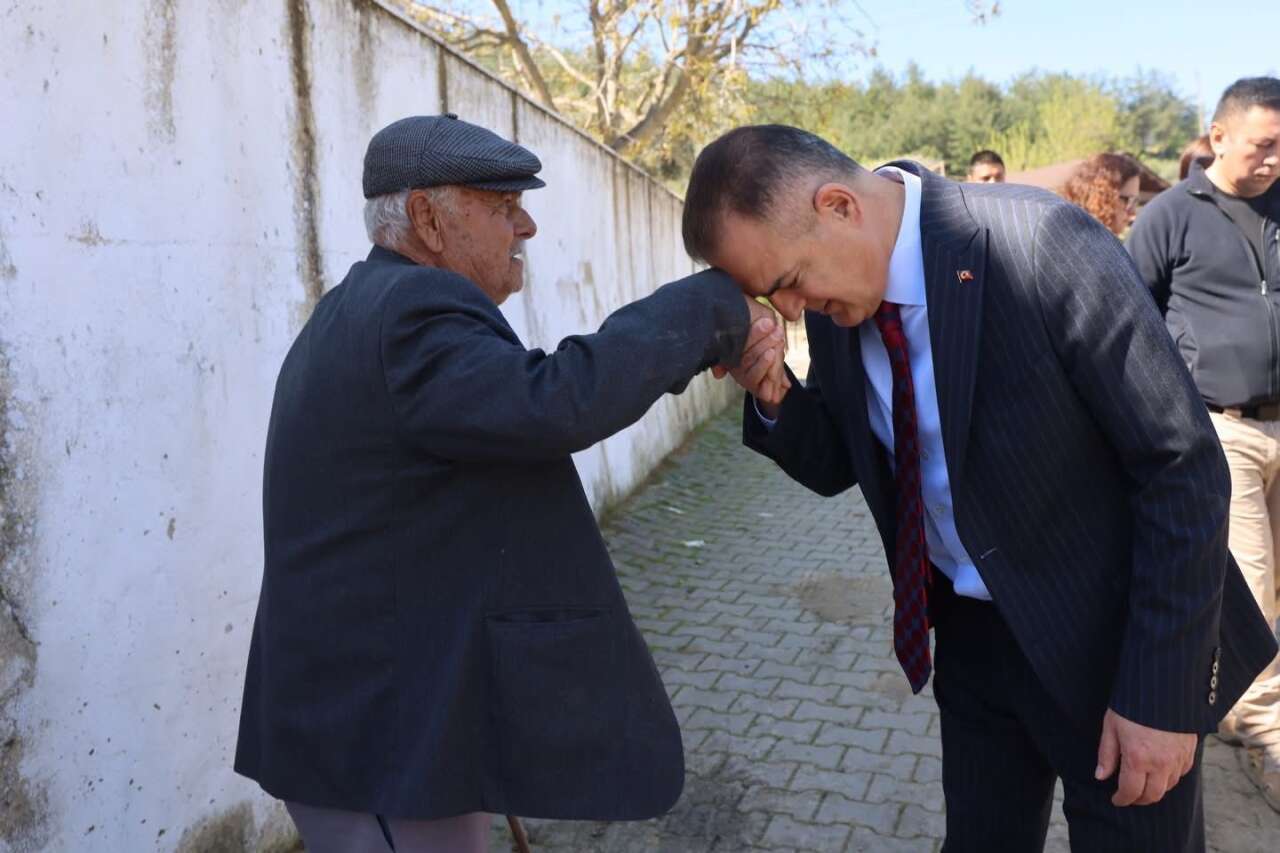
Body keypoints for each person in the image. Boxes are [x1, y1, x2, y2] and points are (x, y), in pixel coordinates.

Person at [681, 123, 1277, 851]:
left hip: (1114, 642)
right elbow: (844, 459)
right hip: (971, 642)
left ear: (839, 205)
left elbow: (1180, 467)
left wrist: (1161, 696)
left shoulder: (1038, 244)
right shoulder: (844, 299)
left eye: (789, 283)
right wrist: (774, 392)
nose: (795, 310)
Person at [233, 114, 787, 853]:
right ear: (428, 219)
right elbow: (553, 401)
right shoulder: (411, 312)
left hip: (386, 713)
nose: (524, 225)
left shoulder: (370, 303)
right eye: (501, 207)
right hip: (380, 737)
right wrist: (714, 307)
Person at [1128, 76, 1280, 812]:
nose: (1276, 160)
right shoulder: (1169, 216)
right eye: (1264, 144)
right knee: (1249, 579)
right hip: (1220, 428)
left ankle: (1244, 701)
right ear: (1218, 137)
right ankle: (1267, 741)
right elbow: (1127, 318)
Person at [1059, 152, 1142, 236]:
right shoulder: (1077, 243)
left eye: (1135, 201)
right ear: (1102, 196)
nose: (1133, 212)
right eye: (1127, 200)